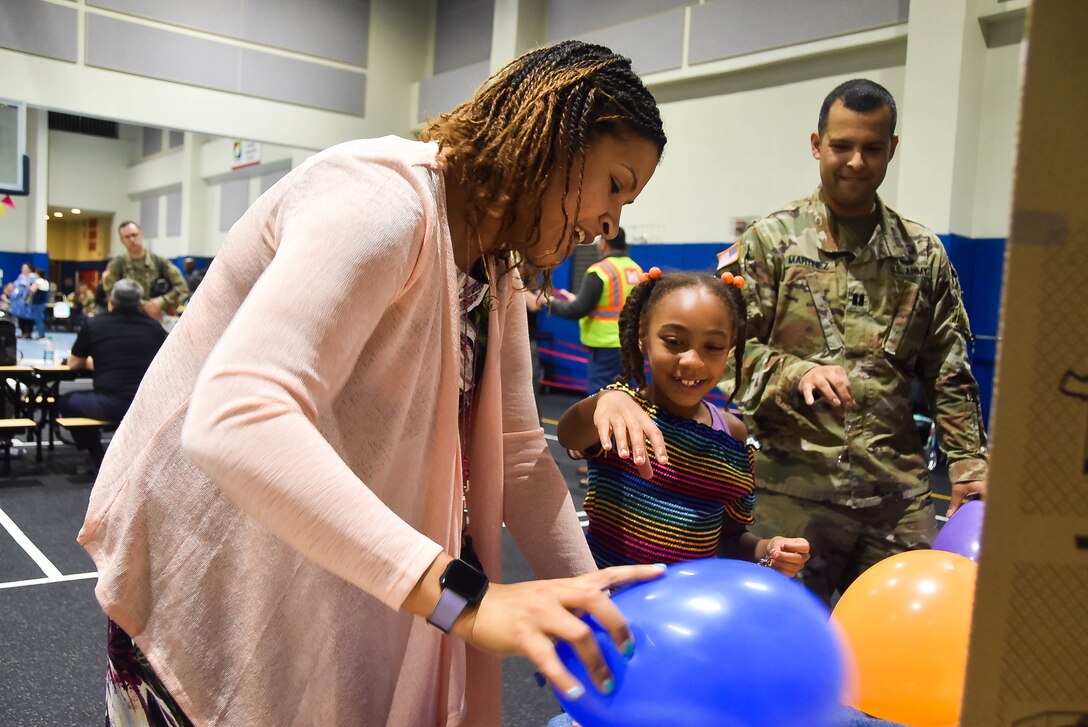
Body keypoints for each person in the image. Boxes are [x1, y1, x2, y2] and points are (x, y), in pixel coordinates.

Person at [78, 40, 668, 726]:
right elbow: (237, 414)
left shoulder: (493, 267)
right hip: (212, 568)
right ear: (556, 138)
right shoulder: (383, 197)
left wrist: (596, 603)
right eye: (617, 185)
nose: (610, 225)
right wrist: (470, 599)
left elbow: (521, 452)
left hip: (313, 565)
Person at [717, 78, 988, 605]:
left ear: (893, 149)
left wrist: (969, 464)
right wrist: (795, 373)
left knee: (910, 650)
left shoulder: (923, 254)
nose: (857, 162)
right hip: (790, 494)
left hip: (896, 498)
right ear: (817, 145)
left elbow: (949, 368)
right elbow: (723, 356)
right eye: (842, 146)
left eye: (873, 148)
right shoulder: (770, 243)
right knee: (784, 651)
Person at [557, 269, 810, 576]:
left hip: (683, 611)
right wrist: (605, 399)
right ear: (642, 338)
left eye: (713, 347)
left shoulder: (731, 434)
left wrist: (767, 549)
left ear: (730, 350)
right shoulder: (620, 411)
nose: (692, 360)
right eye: (674, 341)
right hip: (607, 605)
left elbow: (729, 537)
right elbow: (568, 435)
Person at [59, 279, 167, 473]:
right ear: (140, 302)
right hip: (148, 405)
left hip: (111, 403)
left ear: (111, 300)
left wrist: (94, 361)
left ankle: (94, 455)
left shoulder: (94, 325)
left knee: (66, 401)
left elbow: (74, 363)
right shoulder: (155, 328)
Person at [535, 227, 642, 395]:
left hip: (605, 345)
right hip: (631, 344)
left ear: (604, 243)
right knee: (628, 396)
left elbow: (577, 310)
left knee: (600, 397)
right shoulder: (636, 270)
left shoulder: (600, 271)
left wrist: (548, 302)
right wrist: (576, 299)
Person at [105, 221, 189, 321]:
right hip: (129, 320)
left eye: (134, 235)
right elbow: (111, 294)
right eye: (127, 237)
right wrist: (144, 306)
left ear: (141, 234)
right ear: (122, 241)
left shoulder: (159, 262)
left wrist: (162, 301)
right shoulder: (117, 265)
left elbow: (182, 287)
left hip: (157, 319)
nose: (132, 239)